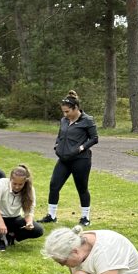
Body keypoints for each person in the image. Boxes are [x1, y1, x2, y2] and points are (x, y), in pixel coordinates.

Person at [40, 91, 98, 225]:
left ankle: (85, 218)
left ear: (76, 108)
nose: (65, 115)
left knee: (82, 188)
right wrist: (56, 145)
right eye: (63, 112)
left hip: (81, 160)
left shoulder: (87, 120)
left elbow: (94, 138)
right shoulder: (64, 120)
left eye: (67, 112)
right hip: (64, 160)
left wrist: (81, 148)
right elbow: (60, 134)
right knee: (54, 185)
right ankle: (51, 215)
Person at [0, 163, 43, 251]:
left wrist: (29, 223)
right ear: (10, 179)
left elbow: (29, 211)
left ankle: (11, 236)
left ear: (25, 182)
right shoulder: (1, 184)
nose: (17, 187)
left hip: (14, 218)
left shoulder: (29, 189)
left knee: (38, 230)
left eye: (20, 184)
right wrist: (0, 222)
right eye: (14, 183)